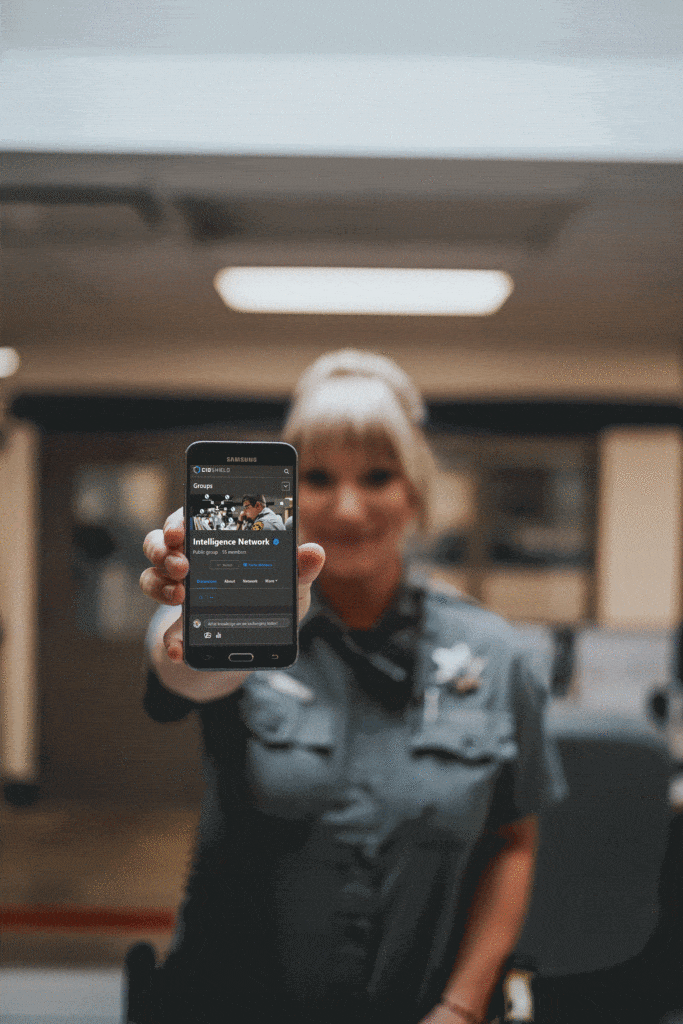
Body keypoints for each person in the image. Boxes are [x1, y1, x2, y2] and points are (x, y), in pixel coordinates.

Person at [140, 349, 567, 1024]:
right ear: (284, 495)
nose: (347, 506)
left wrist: (460, 1008)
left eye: (376, 476)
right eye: (315, 477)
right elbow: (188, 671)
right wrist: (192, 621)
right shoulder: (249, 622)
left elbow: (511, 842)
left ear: (415, 492)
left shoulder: (493, 653)